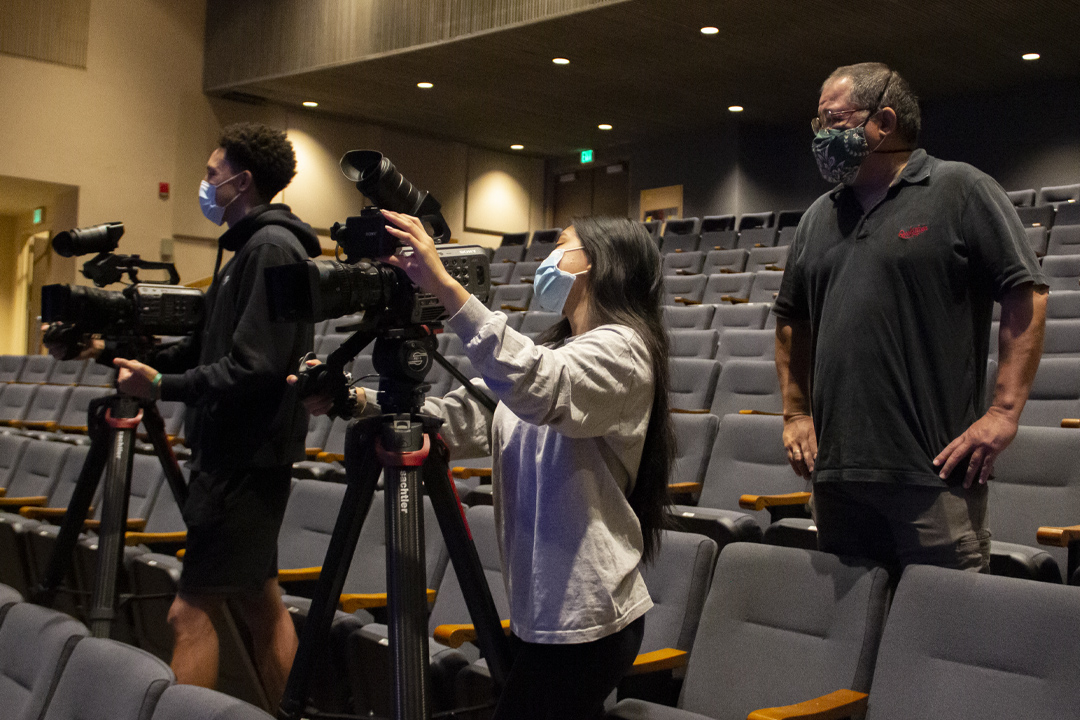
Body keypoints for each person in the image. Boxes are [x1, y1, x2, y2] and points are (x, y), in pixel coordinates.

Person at [295, 214, 674, 719]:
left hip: (590, 617)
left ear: (598, 265)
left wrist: (445, 287)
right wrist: (354, 399)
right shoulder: (558, 349)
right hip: (543, 611)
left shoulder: (625, 350)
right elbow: (463, 417)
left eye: (561, 247)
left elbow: (539, 385)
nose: (548, 259)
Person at [72, 123, 321, 703]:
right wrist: (112, 354)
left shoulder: (269, 249)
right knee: (261, 601)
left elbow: (253, 366)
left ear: (242, 180)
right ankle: (292, 710)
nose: (206, 184)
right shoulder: (245, 249)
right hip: (236, 452)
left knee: (190, 612)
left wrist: (163, 386)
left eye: (212, 174)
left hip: (245, 457)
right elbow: (201, 347)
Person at [774, 62, 1047, 573]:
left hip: (931, 475)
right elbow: (792, 320)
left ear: (884, 122)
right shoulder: (818, 217)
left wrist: (1004, 413)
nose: (821, 137)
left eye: (833, 122)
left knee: (943, 638)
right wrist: (795, 413)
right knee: (852, 641)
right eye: (818, 125)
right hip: (835, 475)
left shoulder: (961, 189)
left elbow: (1024, 292)